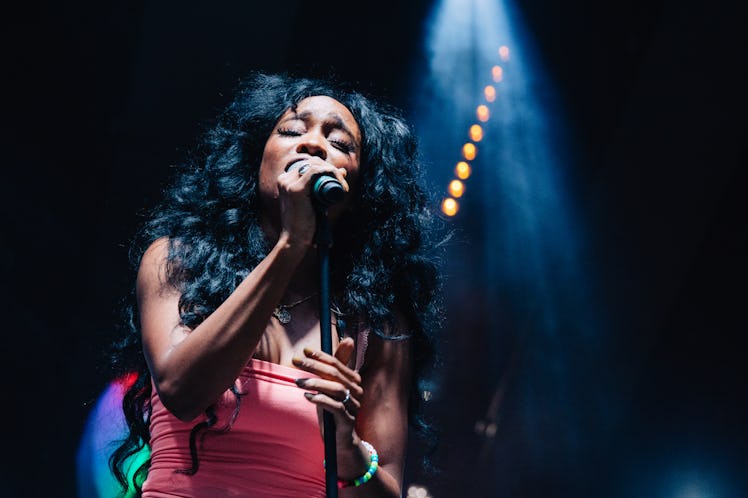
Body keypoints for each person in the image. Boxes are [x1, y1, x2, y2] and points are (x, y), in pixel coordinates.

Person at [107, 71, 444, 497]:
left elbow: (388, 489)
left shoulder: (374, 322)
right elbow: (182, 390)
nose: (314, 144)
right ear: (256, 157)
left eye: (339, 144)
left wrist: (347, 447)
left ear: (358, 190)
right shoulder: (177, 260)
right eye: (292, 131)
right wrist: (292, 243)